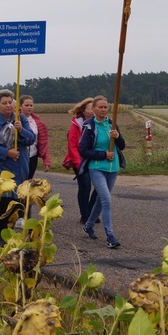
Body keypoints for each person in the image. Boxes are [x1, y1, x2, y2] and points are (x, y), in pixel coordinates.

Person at [0, 89, 35, 239]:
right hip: (0, 168)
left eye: (9, 102)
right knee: (3, 202)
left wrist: (21, 130)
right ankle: (1, 235)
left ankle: (11, 233)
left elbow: (31, 139)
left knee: (16, 202)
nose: (8, 105)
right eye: (4, 103)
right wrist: (7, 153)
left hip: (19, 167)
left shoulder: (21, 119)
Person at [78, 95, 126, 249]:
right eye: (100, 107)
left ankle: (89, 225)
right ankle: (110, 236)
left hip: (113, 168)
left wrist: (117, 136)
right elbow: (83, 150)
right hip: (97, 167)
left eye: (106, 107)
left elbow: (122, 146)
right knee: (106, 199)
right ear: (93, 109)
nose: (104, 110)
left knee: (100, 200)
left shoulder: (112, 124)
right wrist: (103, 154)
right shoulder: (89, 127)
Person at [64, 98, 98, 225]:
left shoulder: (99, 124)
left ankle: (92, 211)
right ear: (84, 111)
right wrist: (79, 164)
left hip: (95, 159)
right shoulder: (76, 125)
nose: (93, 110)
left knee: (99, 187)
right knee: (85, 186)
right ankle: (85, 215)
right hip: (80, 160)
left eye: (94, 108)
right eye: (90, 108)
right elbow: (72, 146)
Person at [18, 95, 51, 179]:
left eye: (31, 105)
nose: (29, 107)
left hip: (32, 156)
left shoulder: (38, 123)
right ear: (20, 106)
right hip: (18, 156)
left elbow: (43, 143)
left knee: (28, 182)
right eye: (26, 105)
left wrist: (46, 161)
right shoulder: (15, 120)